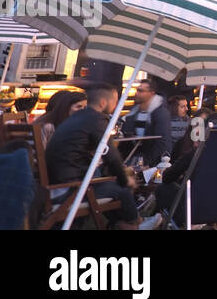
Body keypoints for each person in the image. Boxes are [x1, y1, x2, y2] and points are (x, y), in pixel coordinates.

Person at [45, 83, 146, 228]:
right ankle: (136, 224)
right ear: (103, 102)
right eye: (115, 100)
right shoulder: (97, 120)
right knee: (123, 190)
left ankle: (127, 224)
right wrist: (126, 180)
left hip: (57, 185)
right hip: (71, 190)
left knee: (112, 187)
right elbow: (111, 156)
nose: (117, 104)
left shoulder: (77, 118)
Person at [120, 78, 172, 167]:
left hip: (152, 163)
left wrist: (147, 163)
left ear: (151, 93)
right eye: (137, 90)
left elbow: (162, 142)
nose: (137, 93)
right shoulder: (134, 112)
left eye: (141, 91)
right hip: (135, 159)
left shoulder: (160, 113)